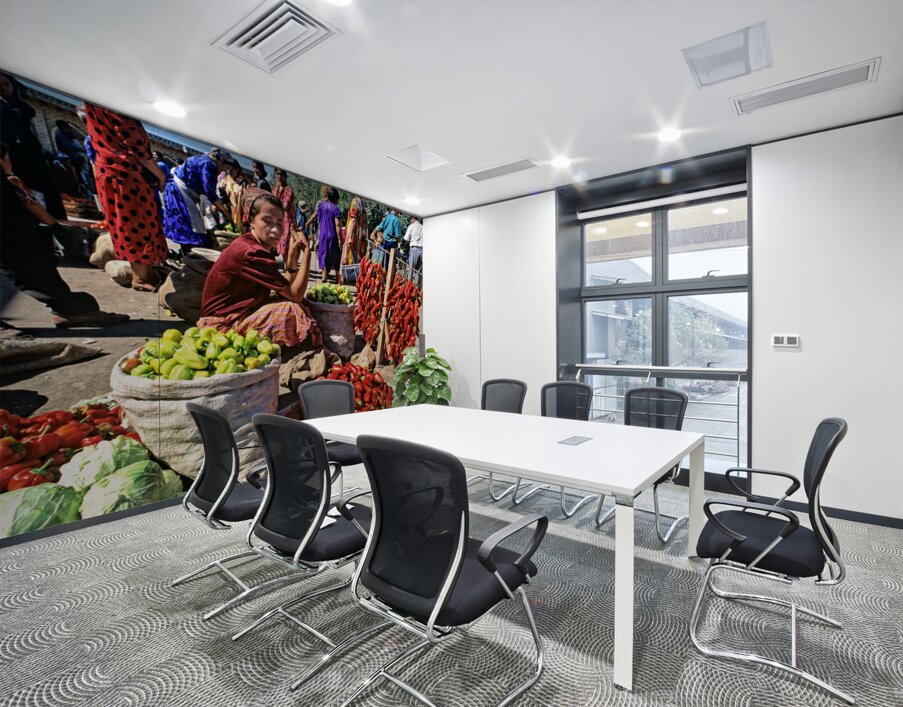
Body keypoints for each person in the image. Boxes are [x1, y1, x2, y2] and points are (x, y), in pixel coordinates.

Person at [0, 143, 129, 328]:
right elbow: (28, 200)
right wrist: (53, 224)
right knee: (31, 264)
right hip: (13, 231)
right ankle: (74, 311)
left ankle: (71, 310)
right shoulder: (9, 179)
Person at [198, 193, 322, 349]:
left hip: (235, 313)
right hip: (220, 324)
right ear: (251, 222)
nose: (276, 230)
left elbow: (284, 289)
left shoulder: (251, 245)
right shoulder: (252, 252)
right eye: (267, 221)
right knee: (292, 310)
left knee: (290, 302)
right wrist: (307, 255)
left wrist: (291, 260)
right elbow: (296, 295)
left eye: (279, 223)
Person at [82, 103, 169, 291]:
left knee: (129, 226)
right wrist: (160, 174)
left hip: (113, 174)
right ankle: (141, 278)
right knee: (138, 227)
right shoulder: (112, 104)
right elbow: (136, 143)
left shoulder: (94, 106)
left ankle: (142, 272)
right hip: (125, 176)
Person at [0, 72, 65, 218]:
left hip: (34, 156)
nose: (3, 88)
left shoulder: (19, 105)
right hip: (14, 159)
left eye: (6, 84)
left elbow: (28, 113)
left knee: (46, 192)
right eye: (0, 85)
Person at [161, 149, 235, 253]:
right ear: (220, 161)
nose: (222, 171)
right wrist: (227, 214)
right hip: (180, 192)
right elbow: (210, 192)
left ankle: (189, 254)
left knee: (190, 226)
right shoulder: (209, 164)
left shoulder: (203, 159)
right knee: (190, 227)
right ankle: (193, 255)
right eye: (224, 168)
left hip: (178, 190)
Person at [306, 186, 343, 283]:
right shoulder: (336, 209)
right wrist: (339, 238)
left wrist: (308, 222)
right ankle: (337, 277)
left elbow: (316, 216)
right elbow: (337, 224)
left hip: (322, 235)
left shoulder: (321, 206)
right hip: (332, 235)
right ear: (335, 198)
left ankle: (324, 276)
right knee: (335, 255)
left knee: (323, 254)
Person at [272, 168, 295, 260]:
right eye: (277, 174)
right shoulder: (274, 190)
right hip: (277, 220)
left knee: (286, 246)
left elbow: (285, 205)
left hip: (286, 222)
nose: (279, 176)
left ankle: (288, 270)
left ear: (285, 176)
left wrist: (275, 203)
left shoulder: (288, 190)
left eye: (281, 174)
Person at [342, 194, 368, 264]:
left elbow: (353, 219)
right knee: (356, 264)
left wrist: (349, 237)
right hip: (359, 240)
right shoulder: (362, 204)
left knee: (348, 263)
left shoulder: (355, 201)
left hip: (353, 237)